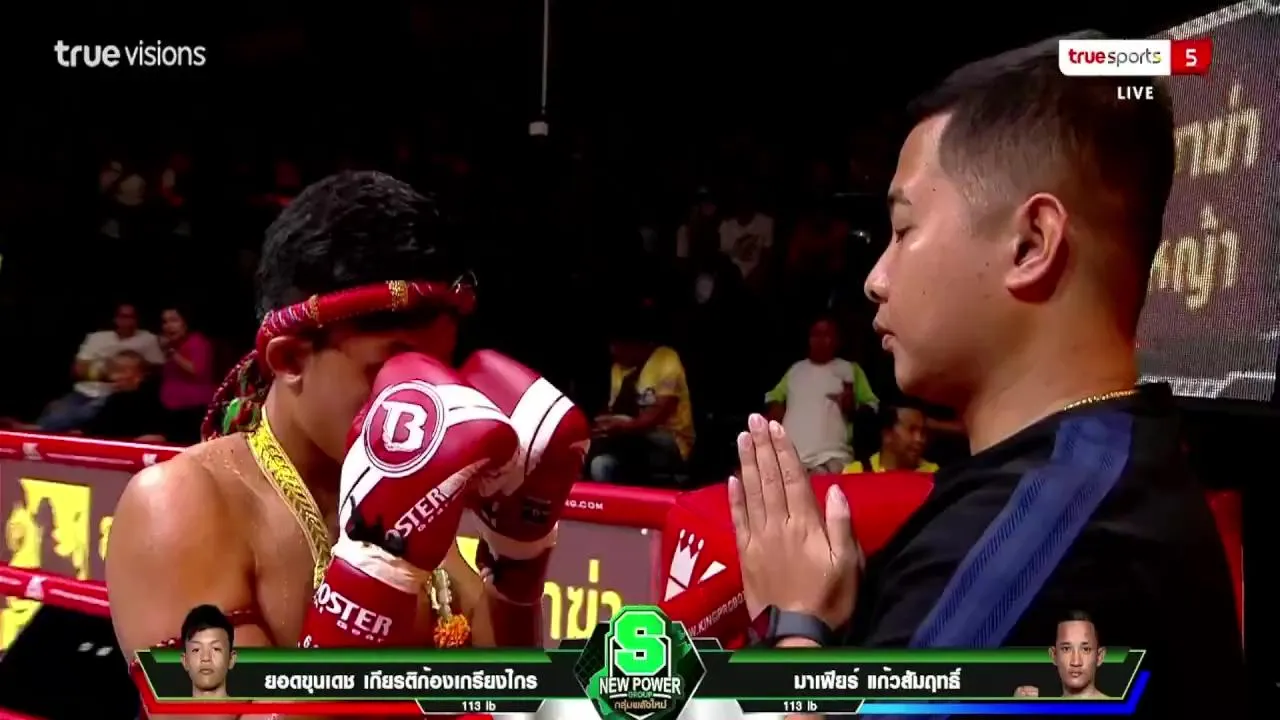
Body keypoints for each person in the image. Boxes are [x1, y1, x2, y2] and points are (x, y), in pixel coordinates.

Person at [724, 31, 1244, 718]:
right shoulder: (1100, 476)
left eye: (903, 231)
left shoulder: (1038, 543)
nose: (876, 278)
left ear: (1031, 244)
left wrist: (795, 624)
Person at [106, 172, 587, 720]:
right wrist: (369, 581)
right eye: (388, 369)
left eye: (436, 368)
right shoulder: (180, 504)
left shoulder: (415, 487)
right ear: (290, 359)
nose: (419, 397)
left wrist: (518, 562)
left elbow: (508, 699)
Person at [588, 312, 694, 484]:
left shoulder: (666, 359)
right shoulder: (618, 368)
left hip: (668, 439)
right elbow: (613, 410)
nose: (613, 351)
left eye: (619, 345)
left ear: (636, 345)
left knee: (632, 440)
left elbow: (658, 415)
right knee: (600, 464)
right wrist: (602, 425)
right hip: (627, 440)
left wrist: (621, 426)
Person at [765, 316, 877, 475]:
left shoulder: (850, 369)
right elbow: (773, 397)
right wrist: (775, 408)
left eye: (826, 335)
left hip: (833, 460)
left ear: (837, 341)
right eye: (815, 334)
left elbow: (872, 406)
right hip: (792, 460)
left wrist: (852, 408)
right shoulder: (796, 370)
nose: (820, 340)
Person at [39, 302, 165, 431]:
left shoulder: (148, 339)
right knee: (55, 412)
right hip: (84, 391)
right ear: (115, 318)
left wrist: (133, 370)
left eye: (131, 317)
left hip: (114, 396)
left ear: (137, 319)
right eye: (122, 317)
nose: (126, 322)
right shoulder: (97, 337)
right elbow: (77, 370)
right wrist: (111, 372)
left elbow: (157, 370)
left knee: (78, 416)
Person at [1015, 610, 1110, 699]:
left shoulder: (1117, 708)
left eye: (1086, 649)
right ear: (1054, 655)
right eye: (1066, 649)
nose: (1076, 662)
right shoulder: (1041, 709)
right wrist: (1016, 708)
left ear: (1100, 656)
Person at [158, 306, 216, 443]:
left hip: (193, 410)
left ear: (185, 323)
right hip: (169, 408)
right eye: (165, 322)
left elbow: (196, 370)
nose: (168, 326)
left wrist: (172, 353)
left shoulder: (197, 341)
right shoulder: (171, 345)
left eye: (174, 320)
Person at [843, 403, 937, 473]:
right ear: (887, 434)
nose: (919, 439)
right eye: (911, 430)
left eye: (922, 432)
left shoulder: (935, 475)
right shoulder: (854, 474)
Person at [181, 604, 236, 699]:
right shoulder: (164, 708)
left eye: (216, 649)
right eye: (196, 650)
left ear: (231, 659)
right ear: (185, 661)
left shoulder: (253, 707)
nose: (206, 658)